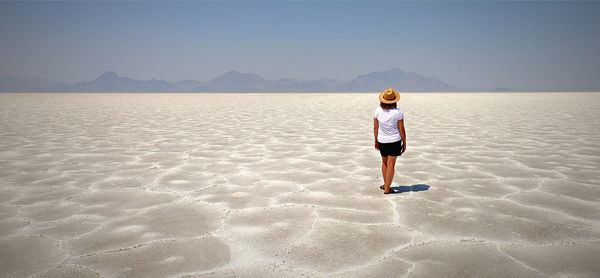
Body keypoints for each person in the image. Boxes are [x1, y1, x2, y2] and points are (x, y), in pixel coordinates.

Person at [373, 88, 406, 194]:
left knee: (384, 163)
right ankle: (387, 188)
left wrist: (376, 141)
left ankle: (385, 184)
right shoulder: (398, 113)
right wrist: (404, 143)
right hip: (394, 141)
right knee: (391, 164)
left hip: (382, 140)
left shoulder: (377, 111)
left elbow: (375, 128)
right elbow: (401, 129)